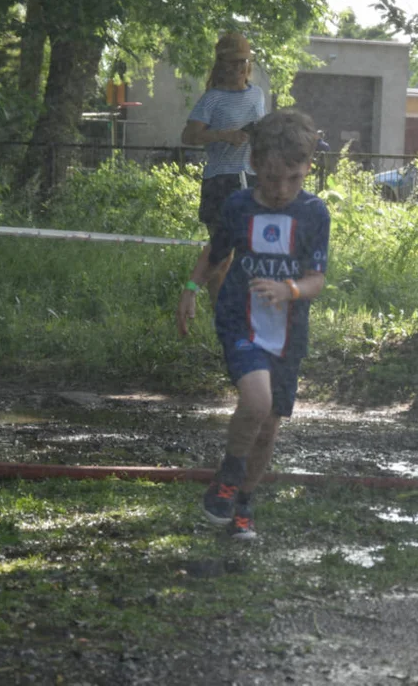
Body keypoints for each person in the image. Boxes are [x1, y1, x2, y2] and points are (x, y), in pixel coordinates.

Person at [177, 109, 330, 540]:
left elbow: (317, 278)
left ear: (307, 169)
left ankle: (242, 502)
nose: (282, 190)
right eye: (271, 179)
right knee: (257, 402)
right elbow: (216, 252)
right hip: (239, 321)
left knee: (269, 426)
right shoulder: (238, 205)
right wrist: (190, 289)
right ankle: (228, 473)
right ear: (255, 166)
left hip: (288, 331)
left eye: (293, 179)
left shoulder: (315, 213)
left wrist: (291, 291)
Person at [181, 32, 267, 306]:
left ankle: (243, 310)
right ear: (221, 65)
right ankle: (217, 313)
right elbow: (189, 136)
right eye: (231, 62)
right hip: (221, 179)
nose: (238, 68)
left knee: (251, 249)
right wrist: (223, 135)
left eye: (242, 62)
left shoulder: (257, 95)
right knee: (222, 252)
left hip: (251, 179)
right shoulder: (212, 99)